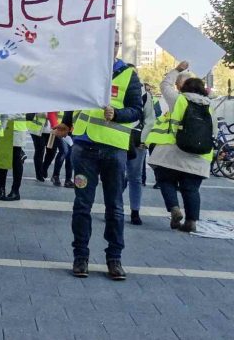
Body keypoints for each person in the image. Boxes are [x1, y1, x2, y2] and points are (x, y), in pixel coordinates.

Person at [53, 30, 143, 281]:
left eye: (115, 44)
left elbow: (136, 111)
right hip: (84, 150)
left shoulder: (128, 75)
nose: (111, 48)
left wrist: (118, 114)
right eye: (107, 43)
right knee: (82, 205)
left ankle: (114, 259)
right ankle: (80, 257)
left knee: (114, 207)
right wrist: (66, 124)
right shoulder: (84, 72)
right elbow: (74, 102)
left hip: (114, 151)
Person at [147, 61, 219, 234]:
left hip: (172, 154)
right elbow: (213, 132)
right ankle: (191, 221)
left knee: (166, 181)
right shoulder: (210, 107)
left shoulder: (179, 100)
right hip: (199, 157)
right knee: (191, 189)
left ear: (183, 88)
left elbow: (164, 85)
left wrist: (177, 70)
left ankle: (174, 209)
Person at [124, 84, 156, 225]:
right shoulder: (118, 88)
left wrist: (144, 139)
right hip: (119, 136)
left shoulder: (145, 95)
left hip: (136, 139)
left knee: (134, 177)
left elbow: (150, 119)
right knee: (118, 176)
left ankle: (135, 211)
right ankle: (114, 208)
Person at [0, 118, 25, 201]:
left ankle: (15, 191)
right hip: (5, 126)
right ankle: (1, 190)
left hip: (17, 128)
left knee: (16, 159)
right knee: (2, 157)